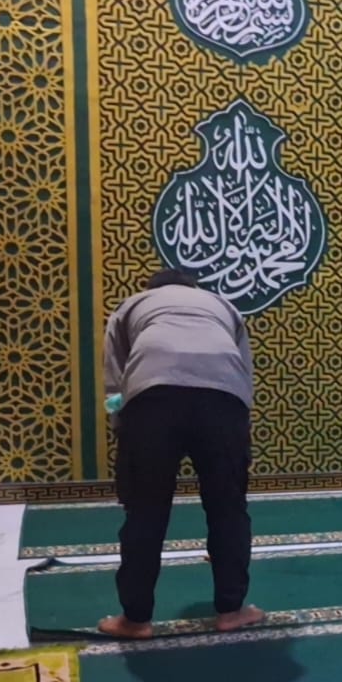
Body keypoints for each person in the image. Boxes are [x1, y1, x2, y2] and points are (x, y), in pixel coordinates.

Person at [98, 269, 263, 638]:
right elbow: (244, 371)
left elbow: (115, 379)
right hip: (224, 400)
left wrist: (124, 429)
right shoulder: (222, 305)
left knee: (146, 509)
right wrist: (238, 427)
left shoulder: (132, 305)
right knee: (228, 507)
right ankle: (231, 611)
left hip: (152, 398)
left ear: (151, 289)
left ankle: (135, 620)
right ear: (193, 288)